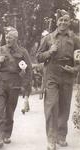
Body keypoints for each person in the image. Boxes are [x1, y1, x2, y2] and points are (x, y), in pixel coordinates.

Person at [36, 9, 80, 150]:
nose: (63, 22)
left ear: (69, 22)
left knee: (64, 107)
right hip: (52, 75)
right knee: (51, 106)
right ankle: (51, 139)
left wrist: (75, 69)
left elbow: (79, 59)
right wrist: (50, 51)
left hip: (67, 75)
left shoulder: (75, 39)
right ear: (56, 22)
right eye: (60, 20)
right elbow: (38, 57)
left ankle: (61, 136)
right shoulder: (48, 38)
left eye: (65, 20)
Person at [0, 27, 32, 148]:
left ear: (16, 38)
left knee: (9, 111)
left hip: (14, 84)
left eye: (10, 37)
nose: (7, 39)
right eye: (6, 37)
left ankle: (6, 134)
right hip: (0, 83)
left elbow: (28, 71)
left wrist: (26, 87)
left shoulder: (23, 52)